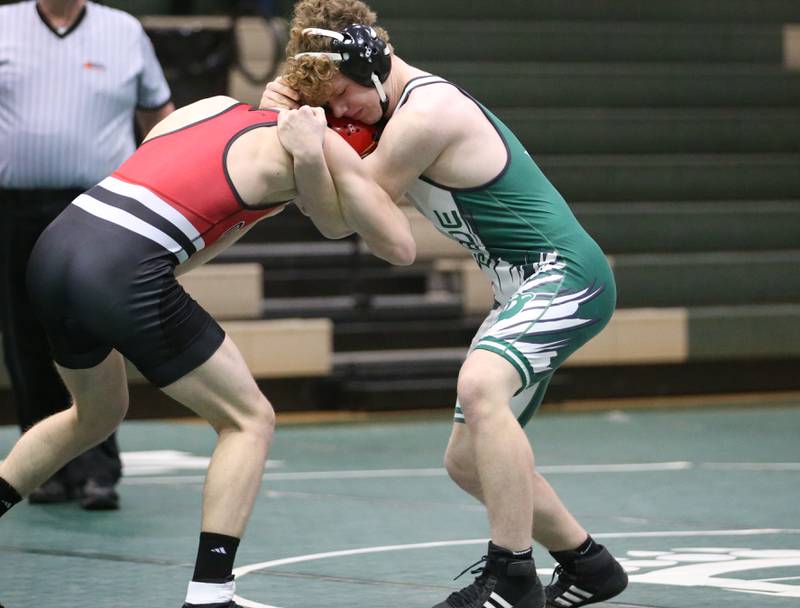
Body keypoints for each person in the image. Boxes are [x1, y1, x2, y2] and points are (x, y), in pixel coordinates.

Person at [260, 1, 629, 607]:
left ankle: (510, 577)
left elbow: (352, 210)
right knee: (466, 462)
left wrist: (307, 142)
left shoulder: (426, 114)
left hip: (563, 276)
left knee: (481, 388)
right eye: (331, 105)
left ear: (375, 67)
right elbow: (337, 218)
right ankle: (589, 566)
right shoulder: (388, 113)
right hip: (519, 285)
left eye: (346, 93)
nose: (343, 110)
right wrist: (305, 134)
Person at [0, 94, 415, 608]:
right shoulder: (311, 144)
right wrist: (312, 157)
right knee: (249, 419)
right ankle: (210, 594)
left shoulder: (213, 106)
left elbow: (190, 237)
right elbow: (363, 233)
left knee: (96, 414)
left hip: (58, 243)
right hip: (118, 266)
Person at [0, 0, 176, 509]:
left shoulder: (124, 31)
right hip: (15, 208)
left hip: (104, 207)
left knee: (99, 329)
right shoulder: (3, 25)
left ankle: (99, 468)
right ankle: (42, 471)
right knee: (25, 335)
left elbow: (159, 117)